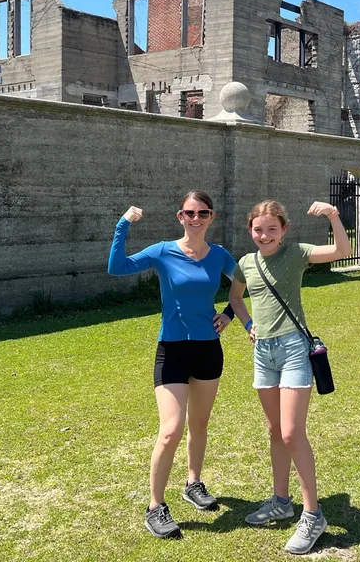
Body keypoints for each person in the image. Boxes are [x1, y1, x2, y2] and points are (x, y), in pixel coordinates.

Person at [107, 190, 247, 540]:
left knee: (199, 424)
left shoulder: (219, 256)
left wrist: (230, 314)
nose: (196, 218)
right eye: (189, 213)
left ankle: (193, 482)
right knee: (171, 430)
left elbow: (246, 283)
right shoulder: (162, 251)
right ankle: (155, 506)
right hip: (171, 350)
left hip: (208, 350)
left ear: (211, 217)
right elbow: (117, 267)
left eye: (203, 213)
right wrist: (124, 224)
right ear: (179, 216)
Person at [228, 199, 352, 555]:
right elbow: (236, 299)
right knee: (274, 431)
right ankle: (281, 501)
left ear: (284, 230)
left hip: (294, 349)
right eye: (258, 229)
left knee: (291, 431)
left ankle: (312, 515)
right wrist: (249, 325)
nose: (264, 235)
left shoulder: (296, 253)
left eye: (271, 229)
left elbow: (342, 250)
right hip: (263, 352)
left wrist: (332, 215)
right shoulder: (246, 264)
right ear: (250, 230)